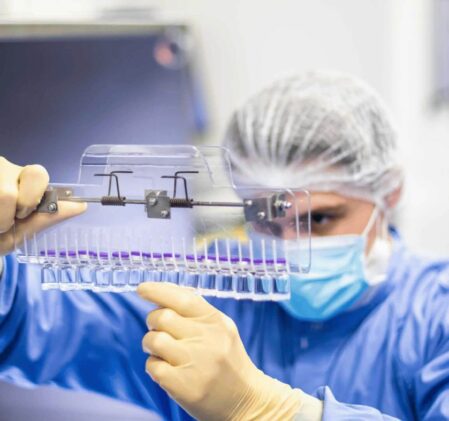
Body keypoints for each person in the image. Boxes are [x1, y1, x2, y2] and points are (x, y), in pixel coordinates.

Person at [1, 71, 448, 420]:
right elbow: (34, 324)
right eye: (265, 220)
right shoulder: (213, 297)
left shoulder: (435, 317)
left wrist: (272, 411)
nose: (290, 246)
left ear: (388, 193)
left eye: (319, 219)